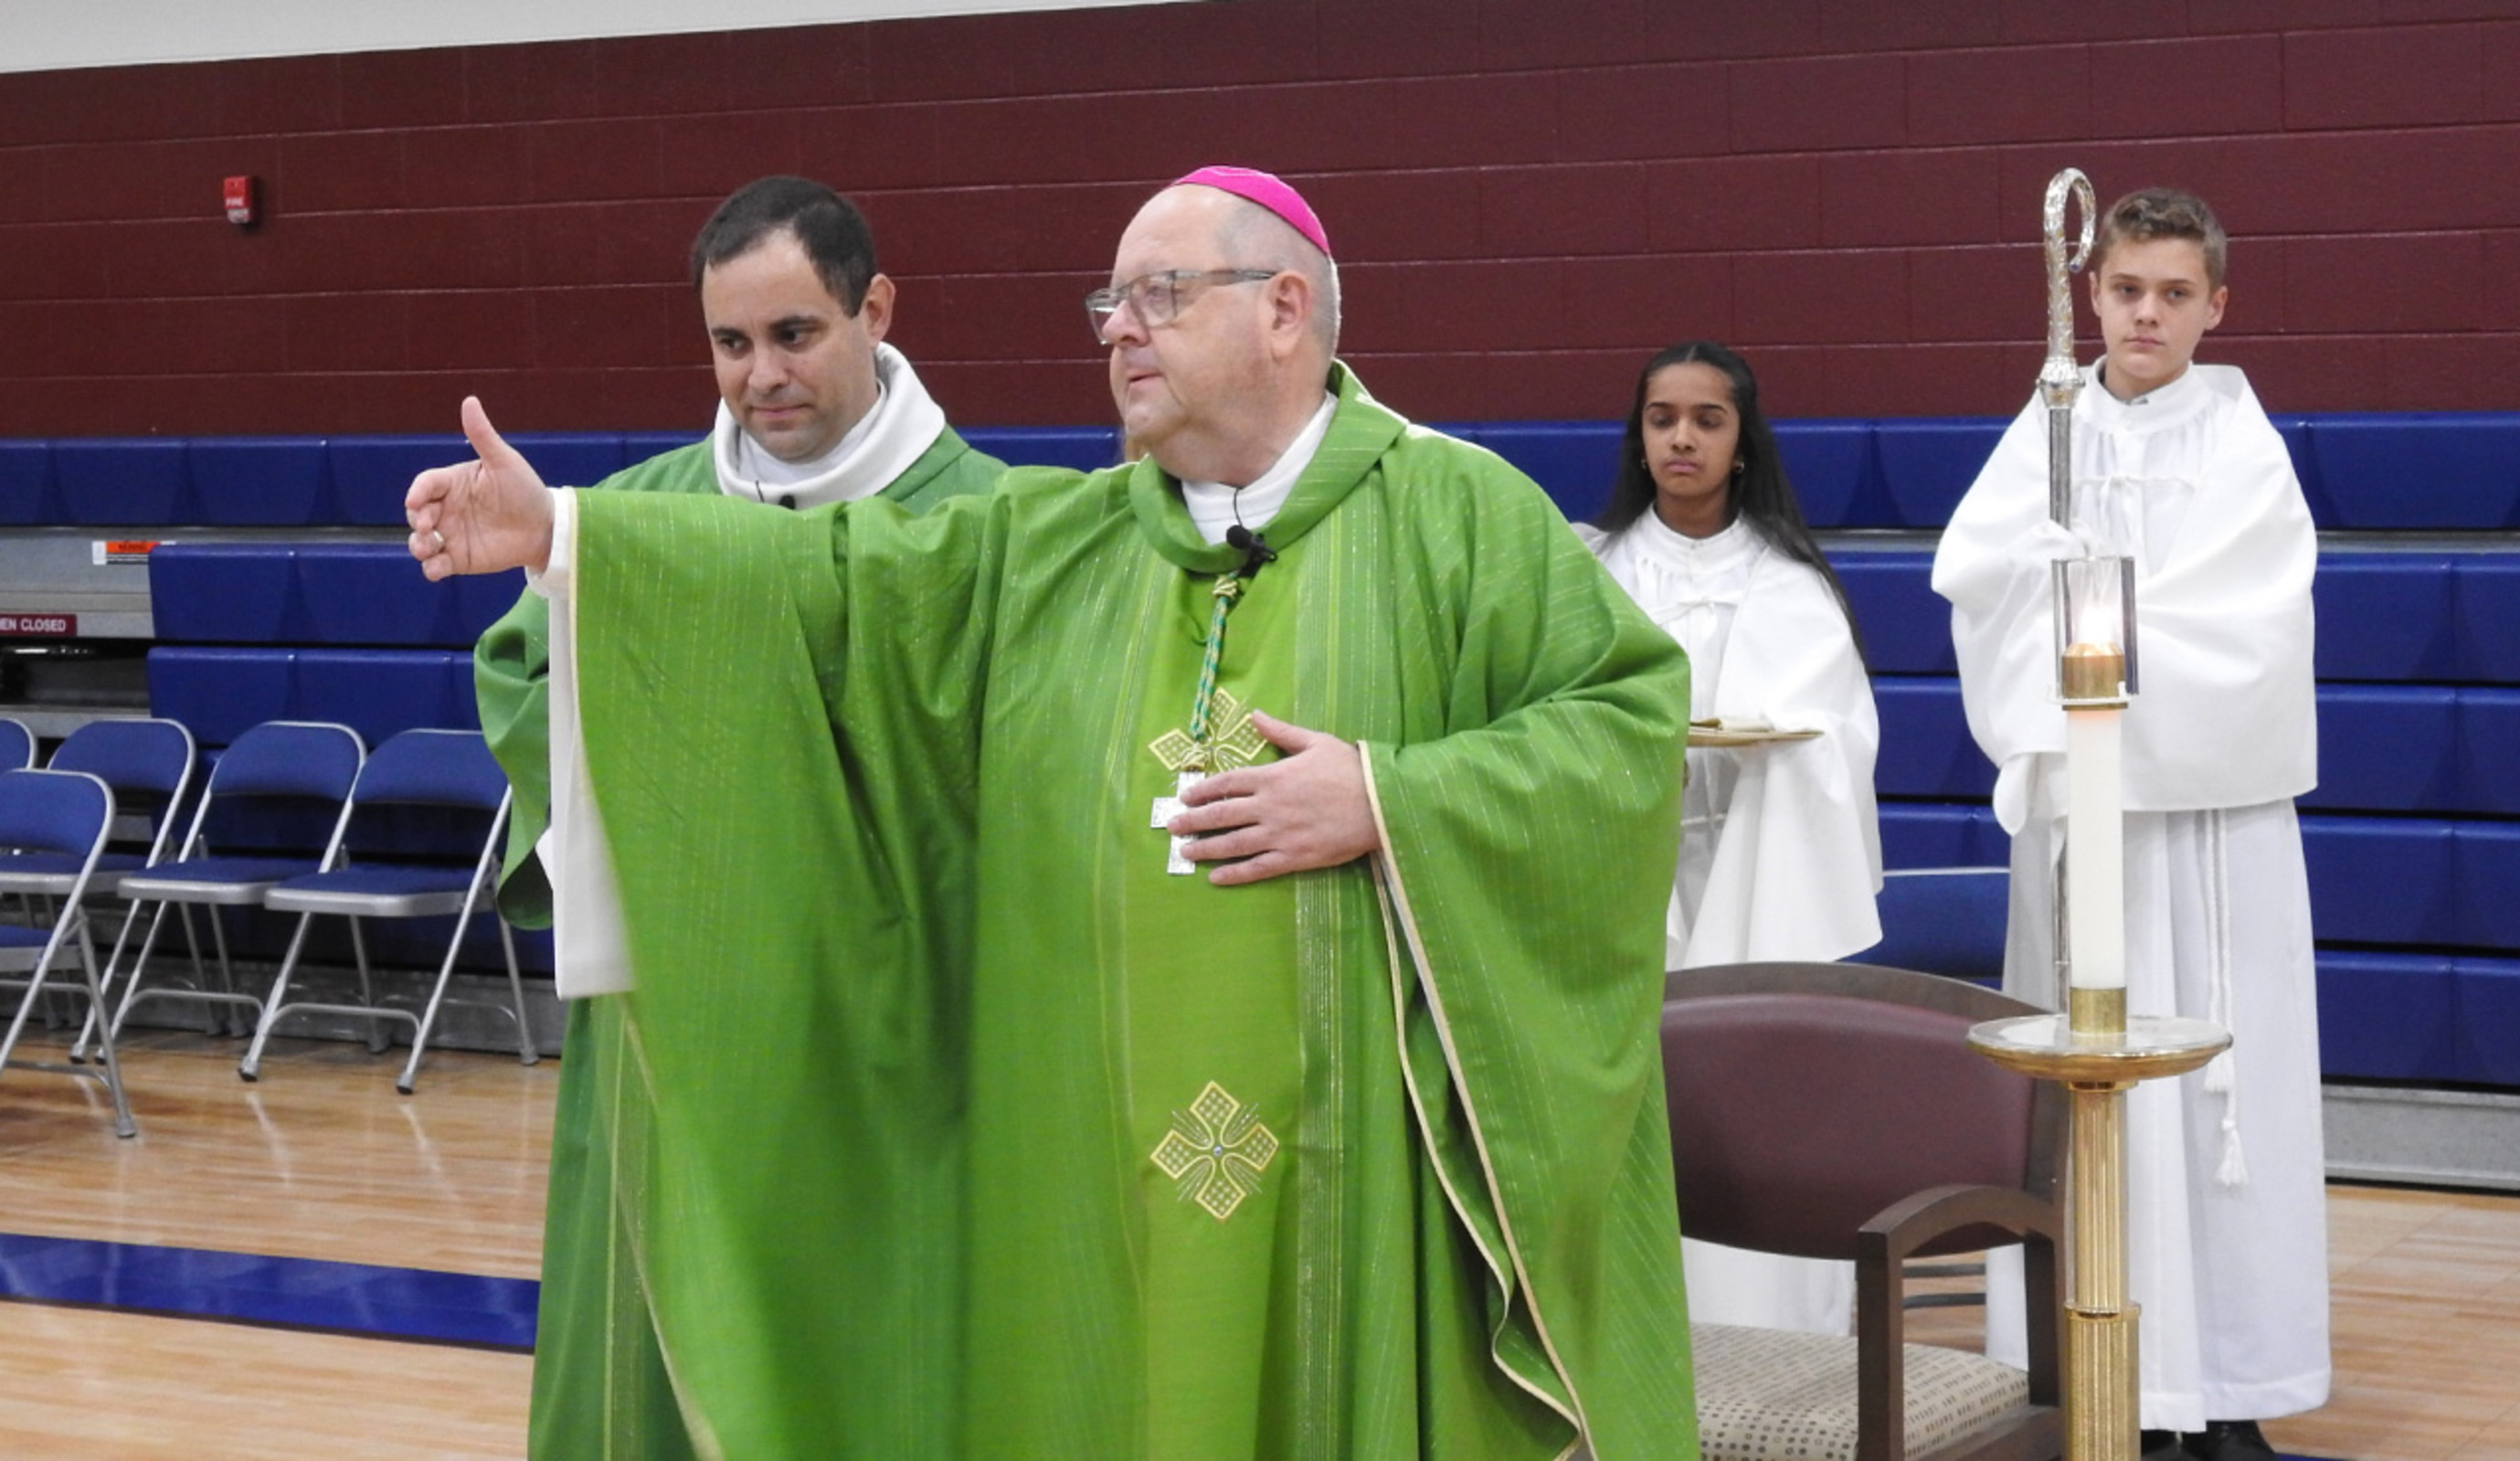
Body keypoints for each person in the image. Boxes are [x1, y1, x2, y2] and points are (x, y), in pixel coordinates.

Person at [413, 166, 1699, 1459]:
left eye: (1162, 294)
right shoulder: (1052, 541)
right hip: (1088, 1165)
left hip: (1355, 1172)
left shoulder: (1456, 513)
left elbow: (1623, 725)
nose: (1119, 328)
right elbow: (833, 582)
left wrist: (1389, 795)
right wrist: (563, 536)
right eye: (1109, 303)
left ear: (1283, 309)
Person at [468, 175, 1006, 1456]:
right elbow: (522, 677)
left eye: (794, 334)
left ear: (875, 309)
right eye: (729, 341)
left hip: (890, 1037)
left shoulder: (989, 519)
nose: (761, 375)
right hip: (675, 1016)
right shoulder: (625, 521)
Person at [1932, 187, 2327, 1461]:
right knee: (2093, 1097)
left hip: (2212, 835)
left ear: (2217, 304)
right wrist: (2051, 597)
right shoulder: (2047, 427)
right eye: (2123, 290)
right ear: (2088, 293)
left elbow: (2256, 619)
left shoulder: (2241, 443)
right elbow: (1977, 581)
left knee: (2224, 1107)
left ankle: (2227, 1389)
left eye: (2172, 292)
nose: (2145, 314)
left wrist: (2098, 617)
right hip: (2087, 827)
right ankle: (2112, 1390)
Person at [1576, 341, 1881, 1337]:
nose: (1682, 438)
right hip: (1631, 878)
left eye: (1707, 420)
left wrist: (1773, 749)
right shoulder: (1592, 574)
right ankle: (1632, 1335)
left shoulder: (1790, 583)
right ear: (1639, 435)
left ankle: (1772, 1330)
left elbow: (1841, 735)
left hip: (1758, 870)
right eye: (1662, 418)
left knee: (1757, 1096)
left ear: (1742, 440)